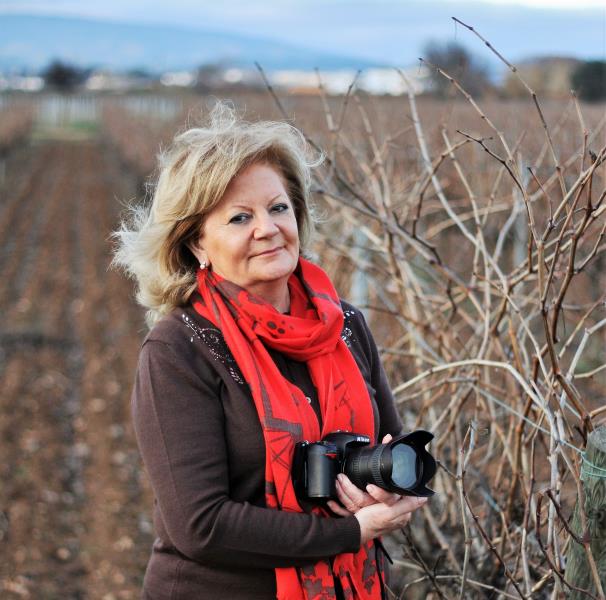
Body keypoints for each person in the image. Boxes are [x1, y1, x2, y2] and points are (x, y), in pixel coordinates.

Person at [114, 102, 427, 600]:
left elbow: (394, 447)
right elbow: (201, 526)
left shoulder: (344, 324)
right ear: (196, 243)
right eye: (240, 217)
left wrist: (387, 489)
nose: (267, 227)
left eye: (277, 208)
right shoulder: (180, 349)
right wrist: (348, 534)